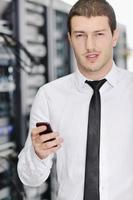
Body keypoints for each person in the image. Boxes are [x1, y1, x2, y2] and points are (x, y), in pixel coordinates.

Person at [17, 0, 133, 200]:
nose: (90, 46)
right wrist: (38, 154)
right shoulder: (49, 96)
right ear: (70, 39)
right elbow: (30, 179)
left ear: (114, 36)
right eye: (80, 35)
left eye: (99, 34)